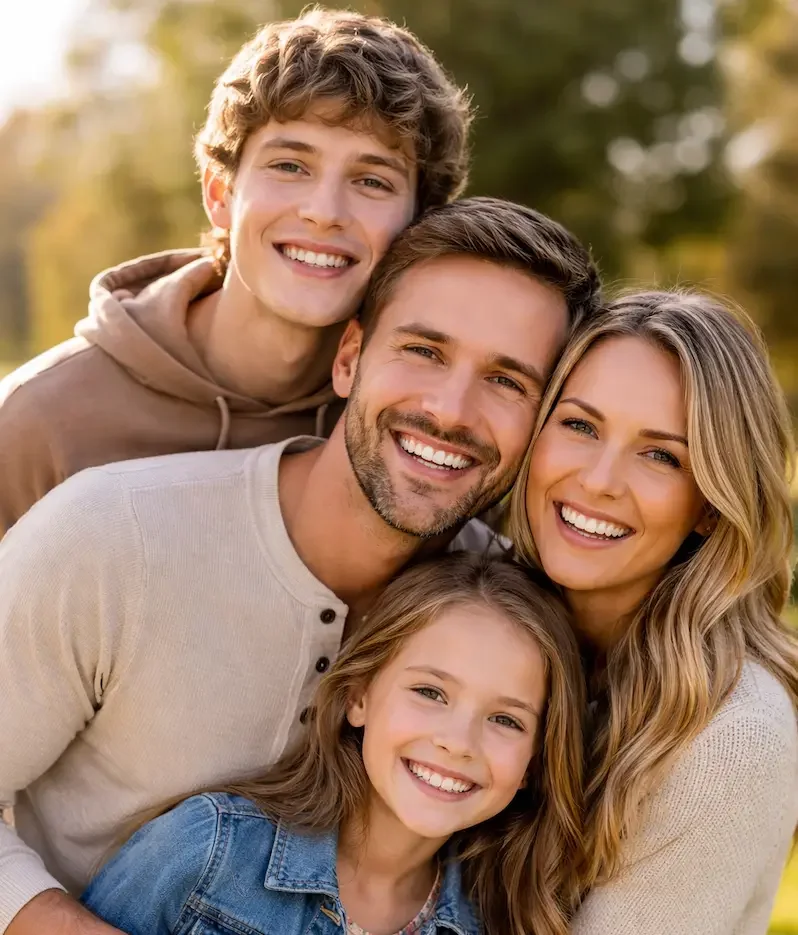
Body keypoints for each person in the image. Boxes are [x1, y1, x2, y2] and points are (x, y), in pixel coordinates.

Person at [0, 196, 600, 935]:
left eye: (508, 381)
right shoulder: (115, 534)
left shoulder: (508, 621)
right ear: (349, 358)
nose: (451, 409)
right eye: (424, 350)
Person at [0, 7, 474, 536]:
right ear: (220, 195)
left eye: (372, 181)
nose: (325, 211)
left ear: (417, 225)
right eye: (290, 166)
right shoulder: (37, 420)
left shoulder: (421, 429)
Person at [80, 554, 586, 935]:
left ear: (533, 765)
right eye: (430, 692)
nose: (458, 742)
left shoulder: (494, 922)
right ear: (358, 696)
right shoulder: (207, 851)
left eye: (505, 719)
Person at [508, 290, 798, 935]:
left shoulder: (732, 740)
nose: (600, 479)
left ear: (710, 503)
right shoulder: (477, 609)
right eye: (580, 425)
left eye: (661, 455)